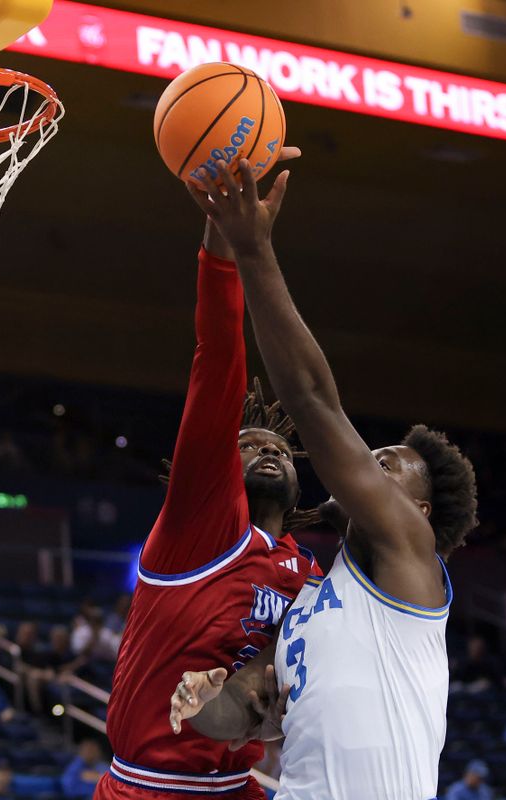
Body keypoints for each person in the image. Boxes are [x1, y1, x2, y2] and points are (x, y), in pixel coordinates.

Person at [170, 159, 478, 800]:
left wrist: (253, 250)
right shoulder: (307, 599)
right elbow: (243, 709)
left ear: (416, 512)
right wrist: (197, 698)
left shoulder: (409, 561)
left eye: (385, 465)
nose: (367, 462)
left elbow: (311, 399)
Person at [95, 147, 322, 800]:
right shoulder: (201, 527)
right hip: (151, 786)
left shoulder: (305, 570)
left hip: (237, 787)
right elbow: (218, 356)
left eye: (278, 448)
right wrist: (225, 240)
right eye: (247, 445)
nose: (268, 451)